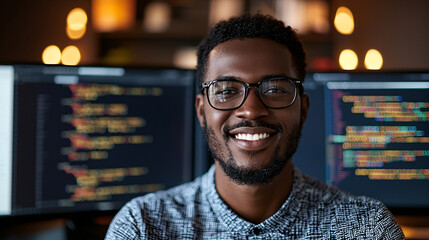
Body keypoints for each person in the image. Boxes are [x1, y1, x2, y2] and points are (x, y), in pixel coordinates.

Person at [105, 13, 405, 239]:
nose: (250, 109)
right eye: (226, 90)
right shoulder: (142, 226)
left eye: (275, 89)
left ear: (303, 109)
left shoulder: (366, 228)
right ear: (201, 111)